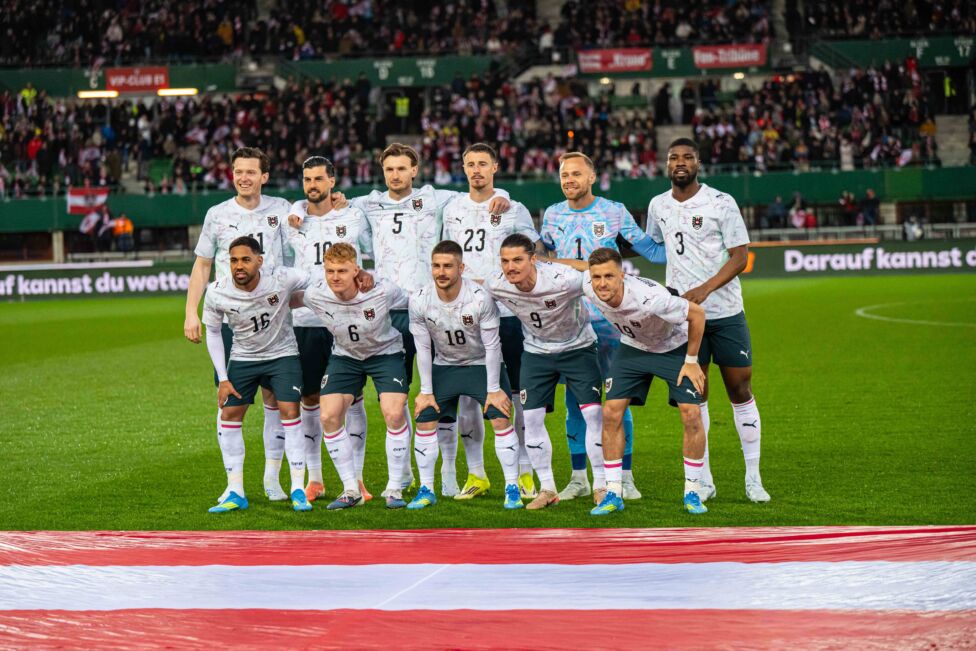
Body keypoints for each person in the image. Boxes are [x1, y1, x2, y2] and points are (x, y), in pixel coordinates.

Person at [347, 143, 511, 495]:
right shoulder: (369, 203)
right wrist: (300, 207)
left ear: (415, 170)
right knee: (398, 396)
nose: (395, 175)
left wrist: (505, 194)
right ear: (383, 171)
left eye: (402, 168)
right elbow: (329, 201)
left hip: (430, 310)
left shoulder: (436, 198)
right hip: (387, 312)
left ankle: (451, 475)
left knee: (441, 396)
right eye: (389, 169)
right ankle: (404, 472)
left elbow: (478, 190)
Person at [646, 138, 770, 504]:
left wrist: (704, 288)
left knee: (740, 391)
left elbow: (740, 257)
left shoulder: (721, 202)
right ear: (666, 164)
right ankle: (705, 480)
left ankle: (753, 478)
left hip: (726, 314)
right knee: (694, 399)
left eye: (687, 157)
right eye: (673, 158)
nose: (680, 163)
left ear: (698, 162)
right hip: (684, 319)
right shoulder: (658, 205)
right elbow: (654, 245)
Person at [539, 151, 666, 503]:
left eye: (576, 174)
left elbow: (651, 251)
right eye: (564, 175)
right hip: (568, 322)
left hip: (610, 323)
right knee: (575, 403)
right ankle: (579, 477)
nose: (569, 180)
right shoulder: (552, 215)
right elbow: (540, 255)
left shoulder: (613, 211)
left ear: (592, 177)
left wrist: (694, 247)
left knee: (616, 402)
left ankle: (624, 476)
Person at [553, 248, 708, 516]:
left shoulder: (651, 299)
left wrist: (691, 361)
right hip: (634, 347)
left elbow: (697, 314)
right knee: (611, 411)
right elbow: (579, 266)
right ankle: (613, 492)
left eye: (609, 276)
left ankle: (693, 491)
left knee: (691, 413)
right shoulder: (590, 286)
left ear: (622, 275)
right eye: (597, 276)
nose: (602, 283)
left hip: (673, 346)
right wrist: (544, 260)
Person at [184, 147, 294, 503]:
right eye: (238, 171)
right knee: (230, 402)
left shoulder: (282, 210)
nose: (243, 177)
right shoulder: (217, 214)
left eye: (251, 171)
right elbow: (202, 265)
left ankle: (272, 479)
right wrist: (191, 311)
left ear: (264, 176)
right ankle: (234, 486)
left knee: (276, 399)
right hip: (233, 319)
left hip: (276, 319)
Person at [440, 142, 539, 500]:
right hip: (465, 316)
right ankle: (477, 474)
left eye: (483, 163)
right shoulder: (452, 209)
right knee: (469, 397)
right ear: (463, 168)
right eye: (470, 164)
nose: (476, 170)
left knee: (518, 395)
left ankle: (525, 472)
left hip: (511, 314)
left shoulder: (514, 209)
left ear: (495, 166)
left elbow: (535, 255)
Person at [485, 234, 605, 511]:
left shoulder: (564, 279)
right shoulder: (497, 284)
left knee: (592, 414)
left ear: (533, 260)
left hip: (579, 348)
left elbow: (594, 271)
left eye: (517, 260)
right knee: (531, 418)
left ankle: (600, 485)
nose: (510, 267)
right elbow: (475, 290)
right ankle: (547, 488)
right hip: (537, 353)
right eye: (505, 261)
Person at [407, 240, 522, 510]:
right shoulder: (420, 299)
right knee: (425, 420)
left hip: (481, 364)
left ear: (461, 267)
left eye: (448, 266)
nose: (441, 272)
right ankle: (426, 489)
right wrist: (425, 391)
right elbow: (422, 347)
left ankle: (512, 487)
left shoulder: (480, 297)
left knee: (501, 419)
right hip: (444, 365)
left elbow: (493, 345)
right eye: (436, 266)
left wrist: (494, 389)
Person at [285, 156, 374, 503]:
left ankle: (358, 480)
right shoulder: (293, 222)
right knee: (309, 398)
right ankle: (316, 478)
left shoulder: (352, 216)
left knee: (353, 399)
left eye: (319, 178)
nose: (312, 185)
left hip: (348, 320)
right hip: (306, 321)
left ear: (332, 182)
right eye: (307, 179)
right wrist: (296, 207)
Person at [202, 236, 312, 514]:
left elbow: (313, 280)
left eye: (246, 259)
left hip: (282, 355)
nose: (239, 266)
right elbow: (213, 332)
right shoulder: (217, 291)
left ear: (259, 261)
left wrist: (298, 300)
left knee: (289, 410)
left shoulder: (281, 278)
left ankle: (299, 488)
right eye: (234, 260)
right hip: (243, 357)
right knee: (229, 414)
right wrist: (223, 377)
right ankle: (236, 490)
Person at [300, 243, 412, 510]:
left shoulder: (381, 290)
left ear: (356, 271)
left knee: (394, 413)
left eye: (342, 270)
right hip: (345, 356)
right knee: (328, 416)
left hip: (386, 353)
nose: (335, 277)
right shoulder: (316, 294)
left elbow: (414, 302)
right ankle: (351, 489)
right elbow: (287, 296)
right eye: (330, 271)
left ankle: (395, 488)